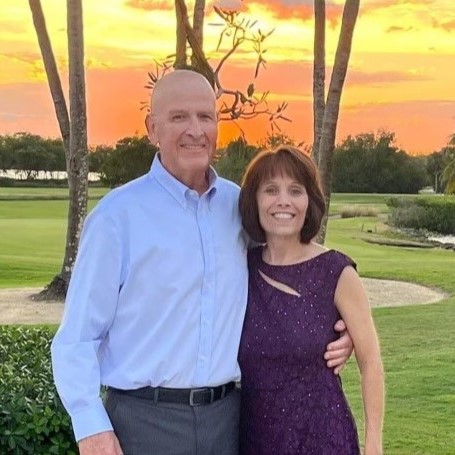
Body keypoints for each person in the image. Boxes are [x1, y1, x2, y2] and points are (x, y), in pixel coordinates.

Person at [51, 70, 352, 455]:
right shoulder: (116, 218)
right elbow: (77, 337)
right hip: (142, 423)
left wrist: (336, 327)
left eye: (205, 117)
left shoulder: (241, 207)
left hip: (228, 422)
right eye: (179, 117)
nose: (195, 130)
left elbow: (290, 265)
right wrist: (89, 424)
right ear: (152, 128)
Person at [238, 146, 384, 454]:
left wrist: (374, 443)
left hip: (323, 439)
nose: (283, 201)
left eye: (295, 191)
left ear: (309, 201)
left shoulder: (336, 272)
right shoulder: (241, 268)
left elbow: (370, 361)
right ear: (254, 200)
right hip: (255, 440)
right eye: (271, 190)